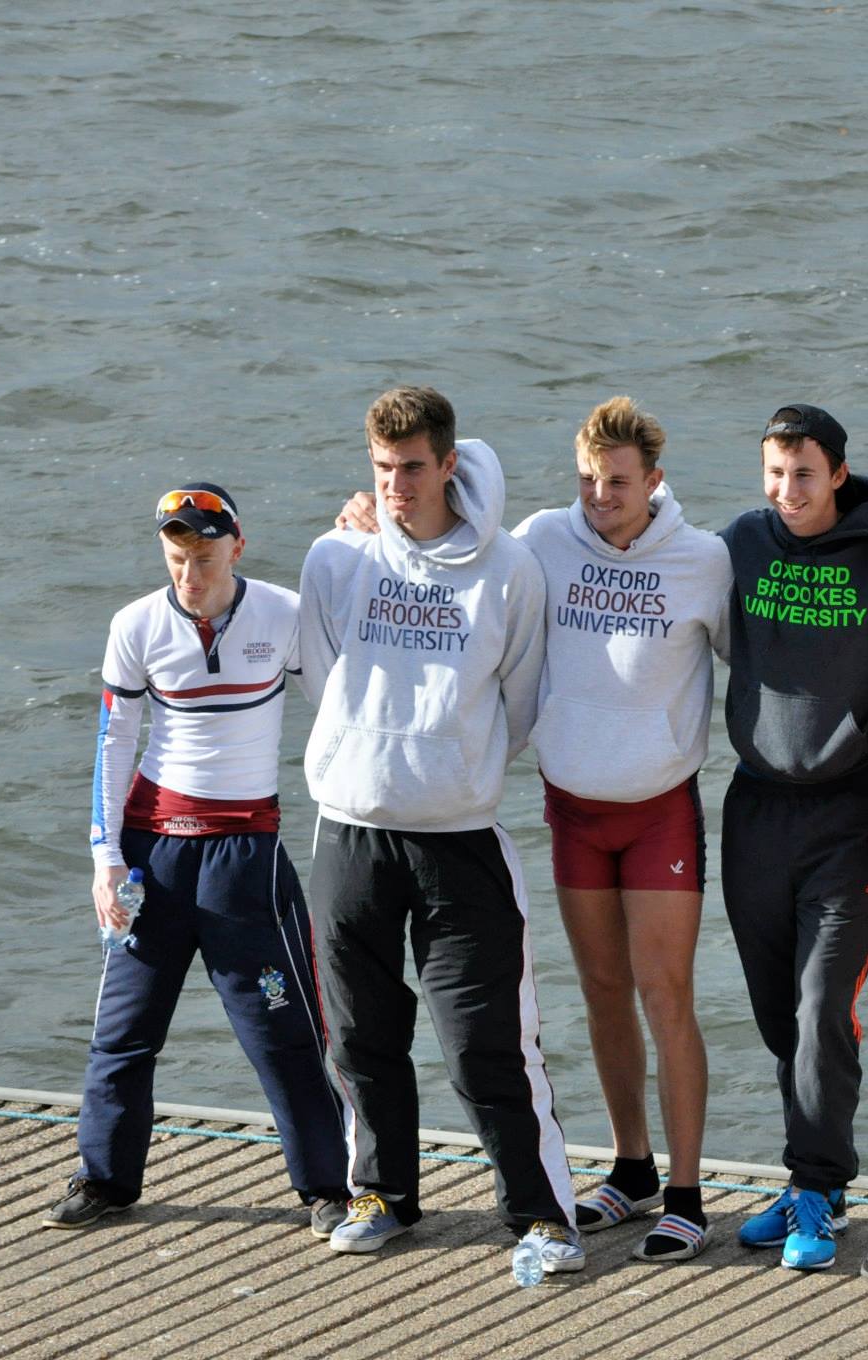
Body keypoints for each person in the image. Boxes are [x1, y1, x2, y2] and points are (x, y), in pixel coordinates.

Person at [298, 386, 580, 1280]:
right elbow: (323, 679)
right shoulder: (335, 560)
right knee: (361, 1035)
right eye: (381, 470)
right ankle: (382, 1194)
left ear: (449, 464)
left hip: (461, 836)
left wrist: (445, 765)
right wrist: (371, 759)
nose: (395, 487)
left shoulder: (510, 570)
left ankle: (543, 1217)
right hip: (349, 832)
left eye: (412, 468)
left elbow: (523, 700)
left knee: (482, 1041)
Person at [46, 485, 348, 1234]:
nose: (190, 576)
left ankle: (329, 1188)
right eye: (177, 559)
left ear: (237, 547)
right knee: (123, 1031)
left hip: (245, 858)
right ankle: (106, 1181)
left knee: (284, 1035)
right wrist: (103, 859)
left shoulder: (282, 614)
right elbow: (114, 744)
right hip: (155, 860)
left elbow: (341, 707)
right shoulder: (136, 626)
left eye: (205, 559)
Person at [513, 396, 730, 1262]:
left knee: (664, 993)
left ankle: (686, 1193)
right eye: (589, 479)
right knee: (602, 991)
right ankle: (631, 1169)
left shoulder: (703, 559)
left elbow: (762, 663)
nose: (600, 496)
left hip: (658, 809)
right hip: (571, 803)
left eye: (617, 482)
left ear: (654, 482)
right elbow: (456, 551)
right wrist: (372, 517)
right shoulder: (542, 539)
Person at [718, 405, 868, 1271]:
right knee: (777, 1014)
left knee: (824, 1003)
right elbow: (622, 544)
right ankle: (805, 1180)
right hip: (755, 808)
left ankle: (821, 1190)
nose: (785, 491)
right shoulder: (740, 545)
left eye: (802, 473)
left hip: (849, 812)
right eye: (774, 473)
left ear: (837, 472)